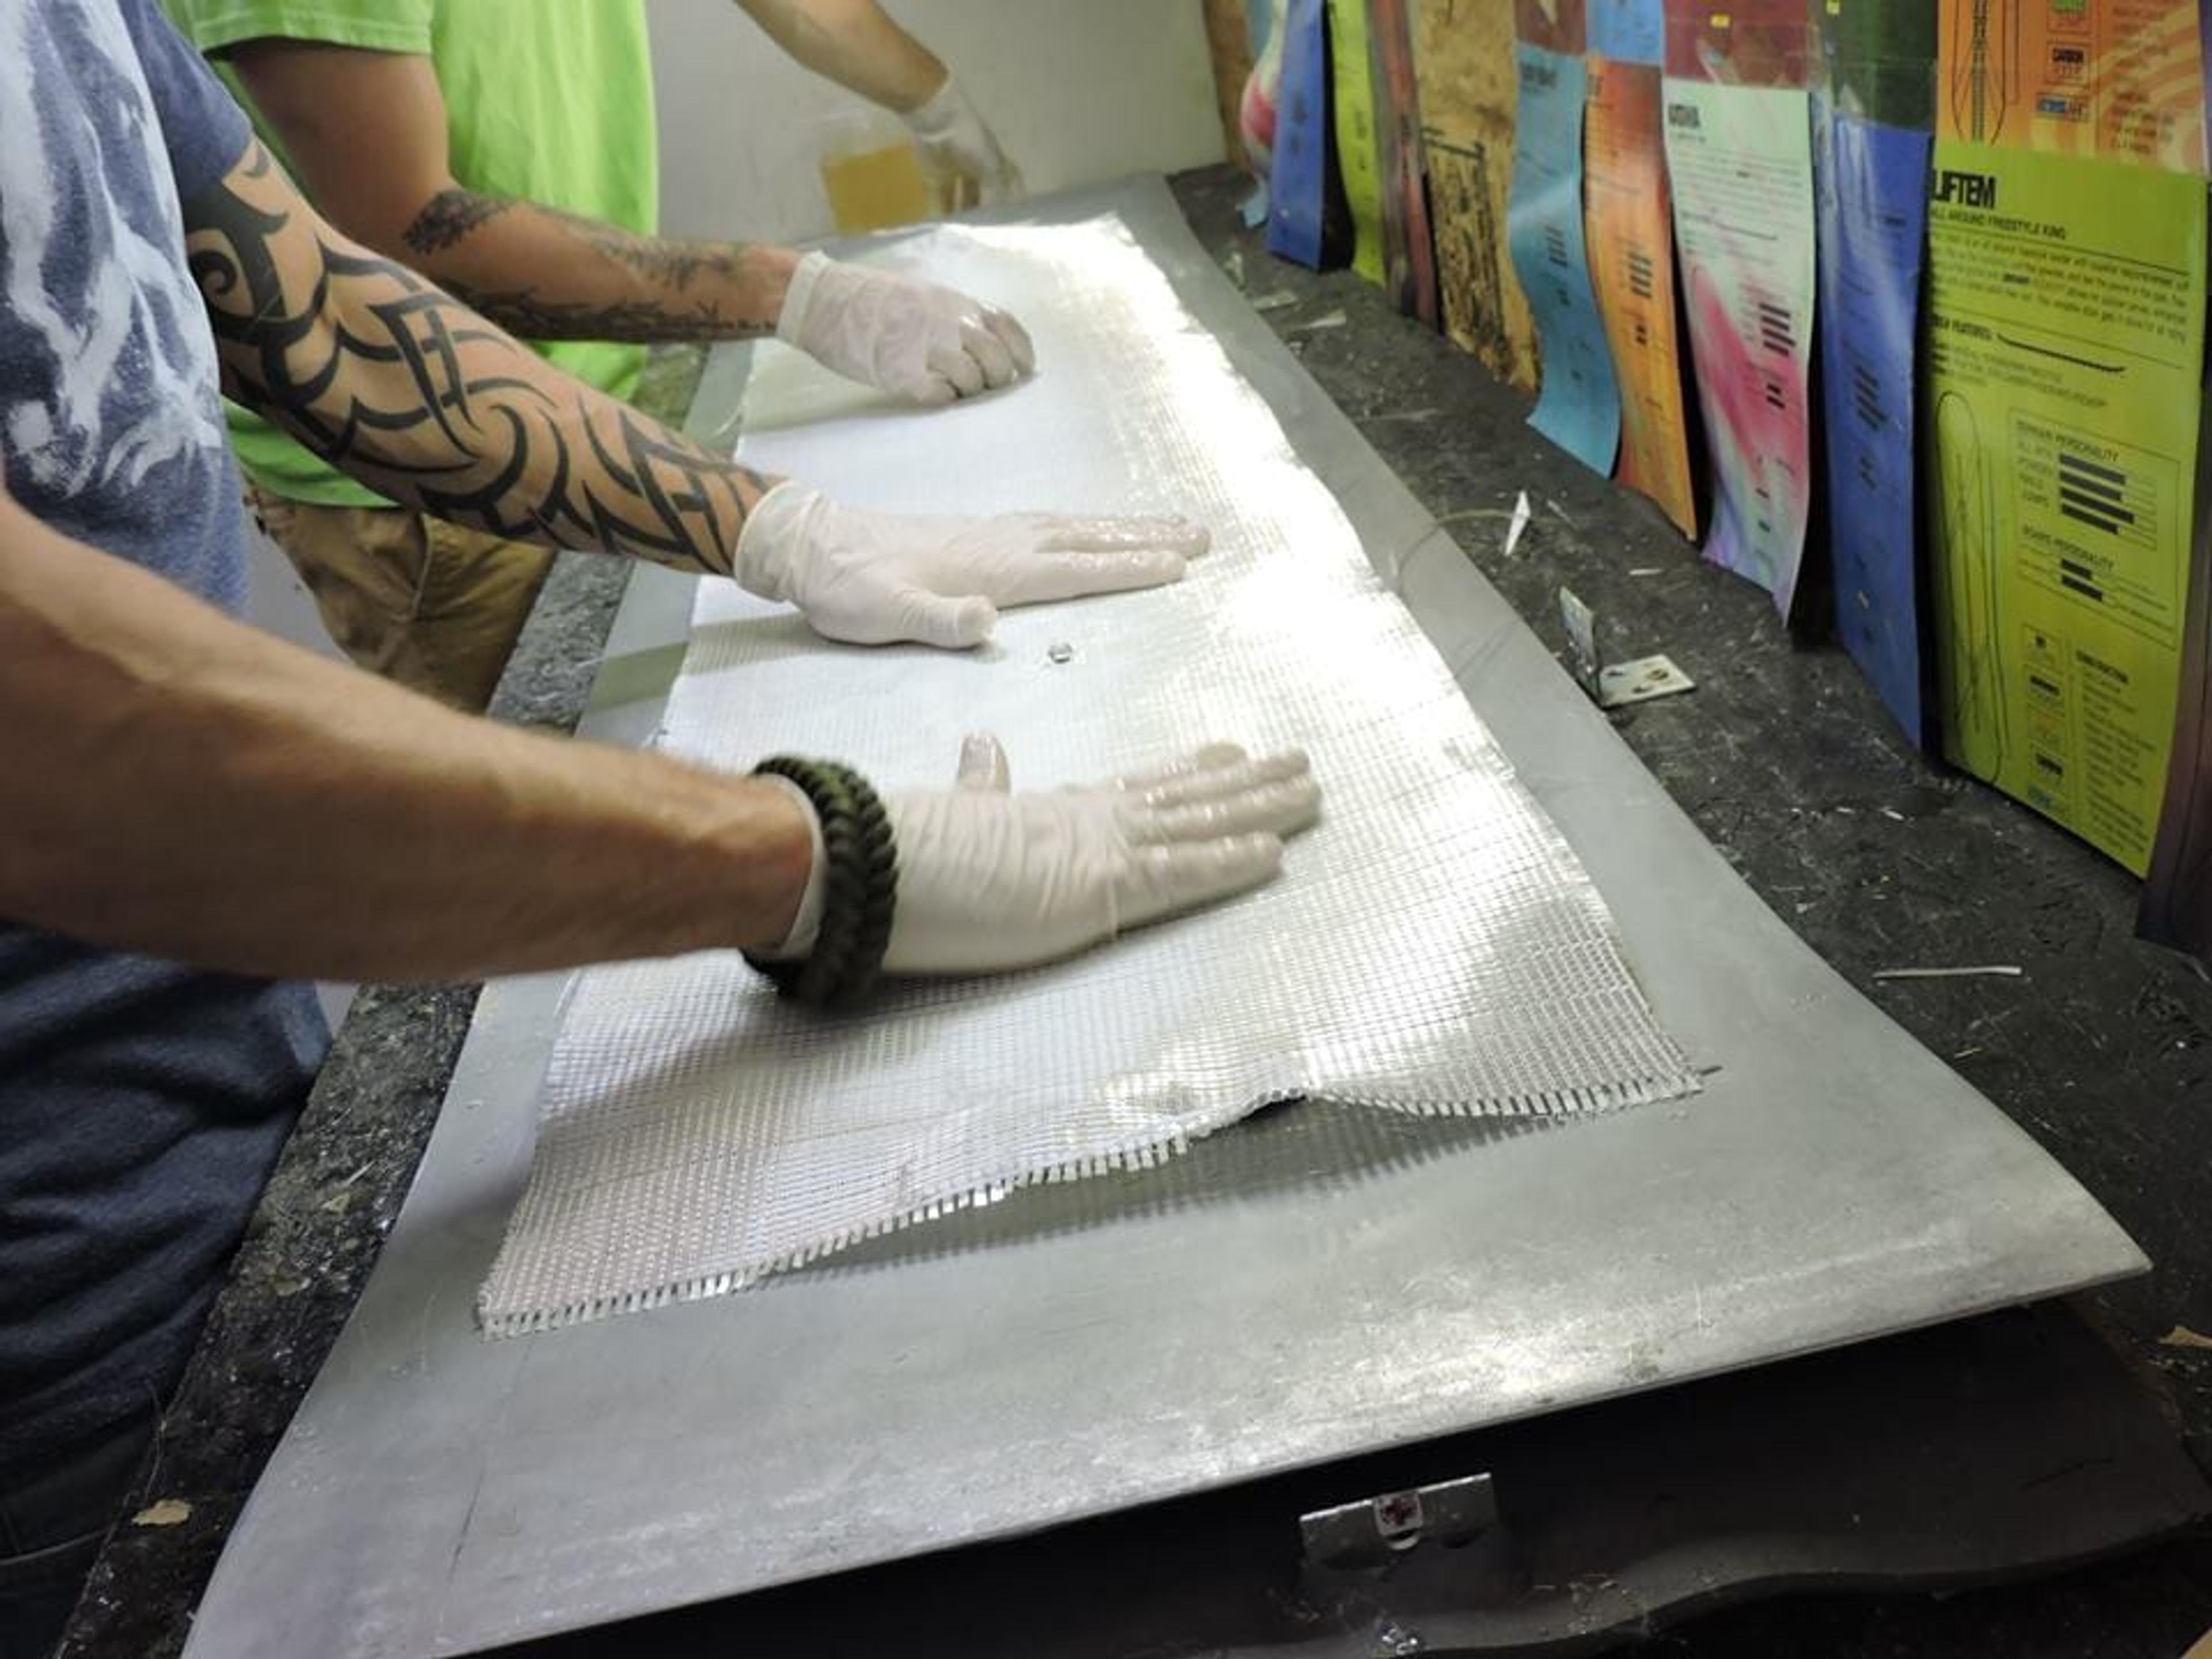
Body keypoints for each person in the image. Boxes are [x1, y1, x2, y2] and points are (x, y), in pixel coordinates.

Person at [0, 4, 1321, 1653]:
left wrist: (778, 526)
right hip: (49, 1306)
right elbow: (56, 730)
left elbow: (321, 309)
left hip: (230, 1089)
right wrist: (817, 860)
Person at [161, 0, 1028, 710]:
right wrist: (789, 292)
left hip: (599, 382)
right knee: (579, 798)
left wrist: (938, 107)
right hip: (425, 461)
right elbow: (400, 233)